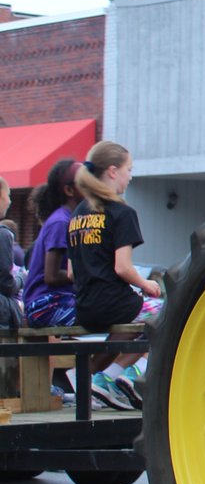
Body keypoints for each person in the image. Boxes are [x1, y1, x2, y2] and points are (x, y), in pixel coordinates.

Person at [67, 141, 162, 410]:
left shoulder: (78, 214)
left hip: (84, 306)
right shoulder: (122, 212)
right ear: (112, 171)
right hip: (114, 303)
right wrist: (146, 284)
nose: (130, 176)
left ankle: (95, 380)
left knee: (136, 318)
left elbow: (73, 271)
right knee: (167, 311)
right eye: (128, 169)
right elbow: (123, 267)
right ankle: (123, 376)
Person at [23, 159, 83, 329]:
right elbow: (51, 275)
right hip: (46, 305)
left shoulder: (70, 220)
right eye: (84, 182)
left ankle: (96, 357)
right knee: (126, 312)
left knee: (127, 311)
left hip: (61, 300)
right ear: (69, 190)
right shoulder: (60, 222)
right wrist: (89, 274)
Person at [0, 177, 22, 330]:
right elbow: (6, 285)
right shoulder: (3, 235)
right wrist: (22, 279)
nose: (9, 201)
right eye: (8, 195)